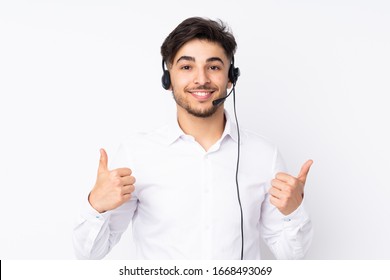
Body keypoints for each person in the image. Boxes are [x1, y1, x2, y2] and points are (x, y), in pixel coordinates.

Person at [73, 17, 313, 260]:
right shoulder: (136, 154)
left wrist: (293, 211)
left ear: (231, 76)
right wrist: (96, 206)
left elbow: (292, 256)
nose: (201, 79)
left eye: (214, 67)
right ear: (168, 78)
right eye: (187, 67)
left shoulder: (264, 155)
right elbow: (90, 254)